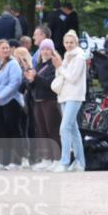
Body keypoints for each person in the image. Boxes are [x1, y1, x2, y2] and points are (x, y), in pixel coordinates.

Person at [52, 30, 86, 172]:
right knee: (73, 129)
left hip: (75, 95)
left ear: (76, 43)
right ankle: (80, 162)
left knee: (64, 128)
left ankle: (65, 161)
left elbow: (73, 77)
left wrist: (60, 67)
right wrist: (60, 68)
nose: (69, 45)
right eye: (66, 42)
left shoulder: (79, 57)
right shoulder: (67, 56)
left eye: (71, 42)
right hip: (64, 95)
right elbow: (60, 74)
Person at [0, 40, 25, 169]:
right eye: (3, 48)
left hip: (11, 101)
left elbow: (15, 82)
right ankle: (4, 160)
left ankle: (17, 160)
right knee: (1, 131)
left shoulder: (13, 64)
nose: (5, 50)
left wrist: (0, 94)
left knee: (13, 130)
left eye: (7, 48)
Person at [26, 39, 62, 170]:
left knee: (53, 130)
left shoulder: (54, 65)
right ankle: (46, 158)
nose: (45, 51)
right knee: (41, 131)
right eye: (43, 49)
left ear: (52, 50)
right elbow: (33, 86)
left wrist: (36, 77)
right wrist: (30, 80)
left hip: (50, 101)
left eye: (47, 49)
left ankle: (57, 159)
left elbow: (50, 84)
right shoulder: (39, 65)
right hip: (37, 101)